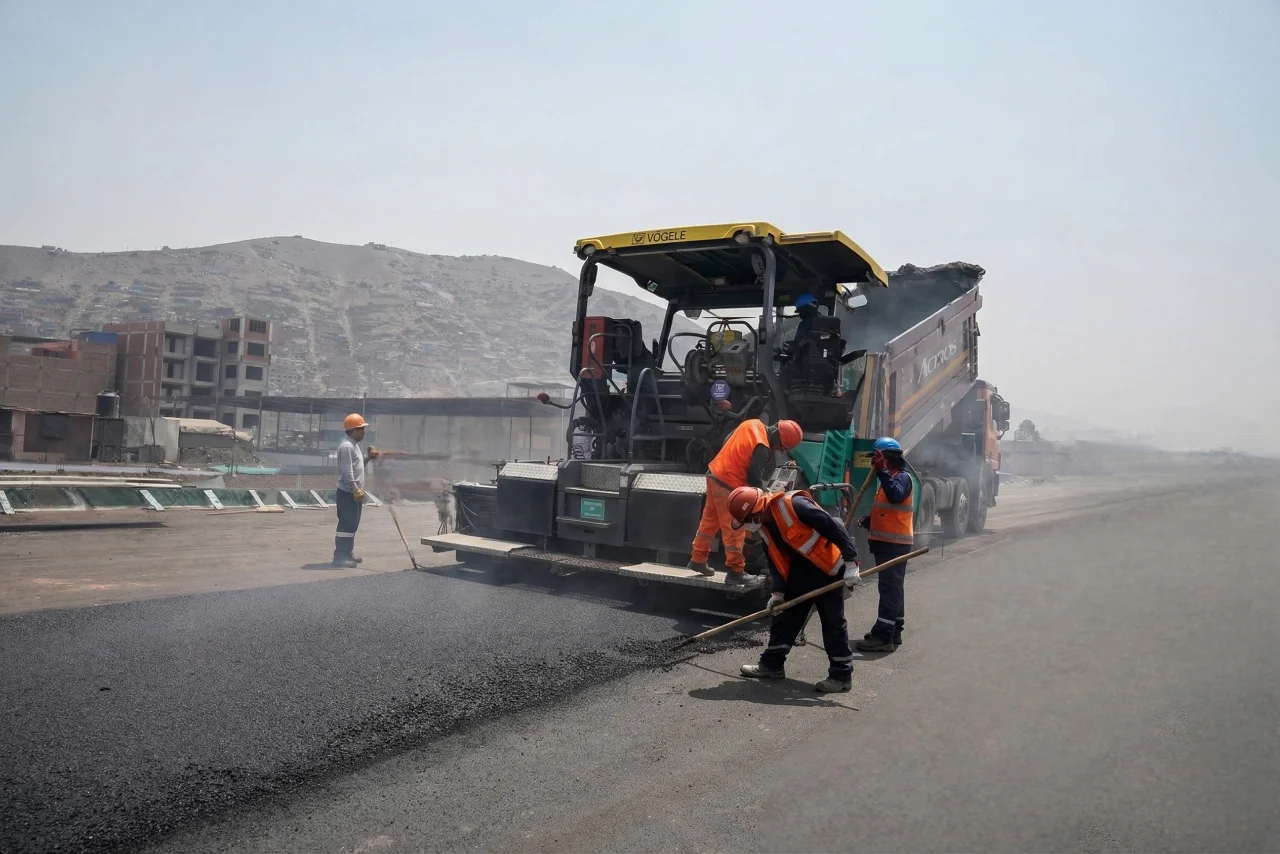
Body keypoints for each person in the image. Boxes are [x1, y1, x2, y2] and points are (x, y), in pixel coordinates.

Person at [729, 485, 861, 692]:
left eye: (747, 521)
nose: (748, 527)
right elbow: (775, 560)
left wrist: (852, 562)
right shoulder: (764, 527)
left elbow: (834, 526)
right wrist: (778, 592)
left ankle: (841, 675)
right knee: (785, 616)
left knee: (832, 621)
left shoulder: (794, 505)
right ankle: (772, 665)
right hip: (801, 571)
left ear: (757, 513)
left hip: (827, 569)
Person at [687, 418, 804, 585]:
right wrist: (766, 496)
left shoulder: (752, 424)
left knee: (709, 522)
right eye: (781, 447)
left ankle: (698, 559)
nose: (777, 450)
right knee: (734, 528)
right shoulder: (763, 448)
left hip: (715, 474)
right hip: (728, 483)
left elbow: (728, 440)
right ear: (778, 437)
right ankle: (735, 572)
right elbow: (754, 478)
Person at [855, 436, 915, 652]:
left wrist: (882, 471)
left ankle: (883, 636)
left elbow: (896, 495)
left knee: (889, 588)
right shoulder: (889, 478)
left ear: (887, 458)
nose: (873, 462)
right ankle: (894, 630)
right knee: (893, 587)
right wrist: (871, 520)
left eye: (877, 458)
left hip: (895, 544)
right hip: (887, 542)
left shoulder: (902, 478)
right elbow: (889, 508)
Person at [333, 413, 379, 568]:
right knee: (346, 525)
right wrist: (354, 489)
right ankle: (340, 556)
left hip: (354, 492)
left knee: (352, 524)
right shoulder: (347, 446)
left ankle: (347, 553)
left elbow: (357, 466)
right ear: (352, 430)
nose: (363, 432)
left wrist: (368, 457)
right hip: (348, 493)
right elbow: (347, 471)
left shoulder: (354, 445)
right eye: (360, 429)